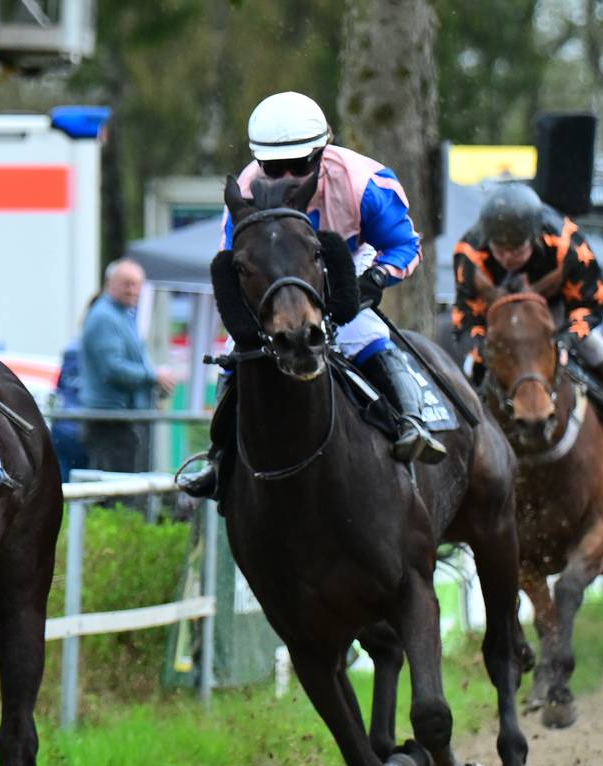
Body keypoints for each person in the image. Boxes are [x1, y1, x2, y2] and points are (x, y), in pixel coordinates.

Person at [179, 90, 445, 500]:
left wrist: (374, 280)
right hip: (278, 275)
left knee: (365, 334)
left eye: (299, 164)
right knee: (235, 351)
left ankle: (411, 422)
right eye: (274, 167)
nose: (287, 177)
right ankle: (219, 457)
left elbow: (405, 246)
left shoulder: (363, 183)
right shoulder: (246, 189)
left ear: (323, 151)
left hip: (347, 260)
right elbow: (233, 258)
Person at [452, 181, 603, 419]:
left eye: (516, 250)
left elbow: (590, 303)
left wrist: (566, 339)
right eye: (500, 250)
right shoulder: (469, 253)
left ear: (534, 239)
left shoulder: (568, 244)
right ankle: (464, 416)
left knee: (592, 345)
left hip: (555, 309)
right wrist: (482, 347)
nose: (507, 258)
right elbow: (465, 314)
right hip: (498, 317)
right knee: (471, 364)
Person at [79, 258, 175, 474]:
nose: (133, 290)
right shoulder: (104, 317)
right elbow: (113, 369)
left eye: (137, 284)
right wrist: (154, 376)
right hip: (111, 420)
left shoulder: (122, 315)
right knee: (117, 486)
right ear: (109, 283)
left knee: (126, 483)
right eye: (127, 284)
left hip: (121, 419)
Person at [49, 338, 89, 481]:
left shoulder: (71, 349)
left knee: (61, 476)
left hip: (62, 425)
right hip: (83, 427)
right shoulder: (92, 351)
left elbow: (59, 387)